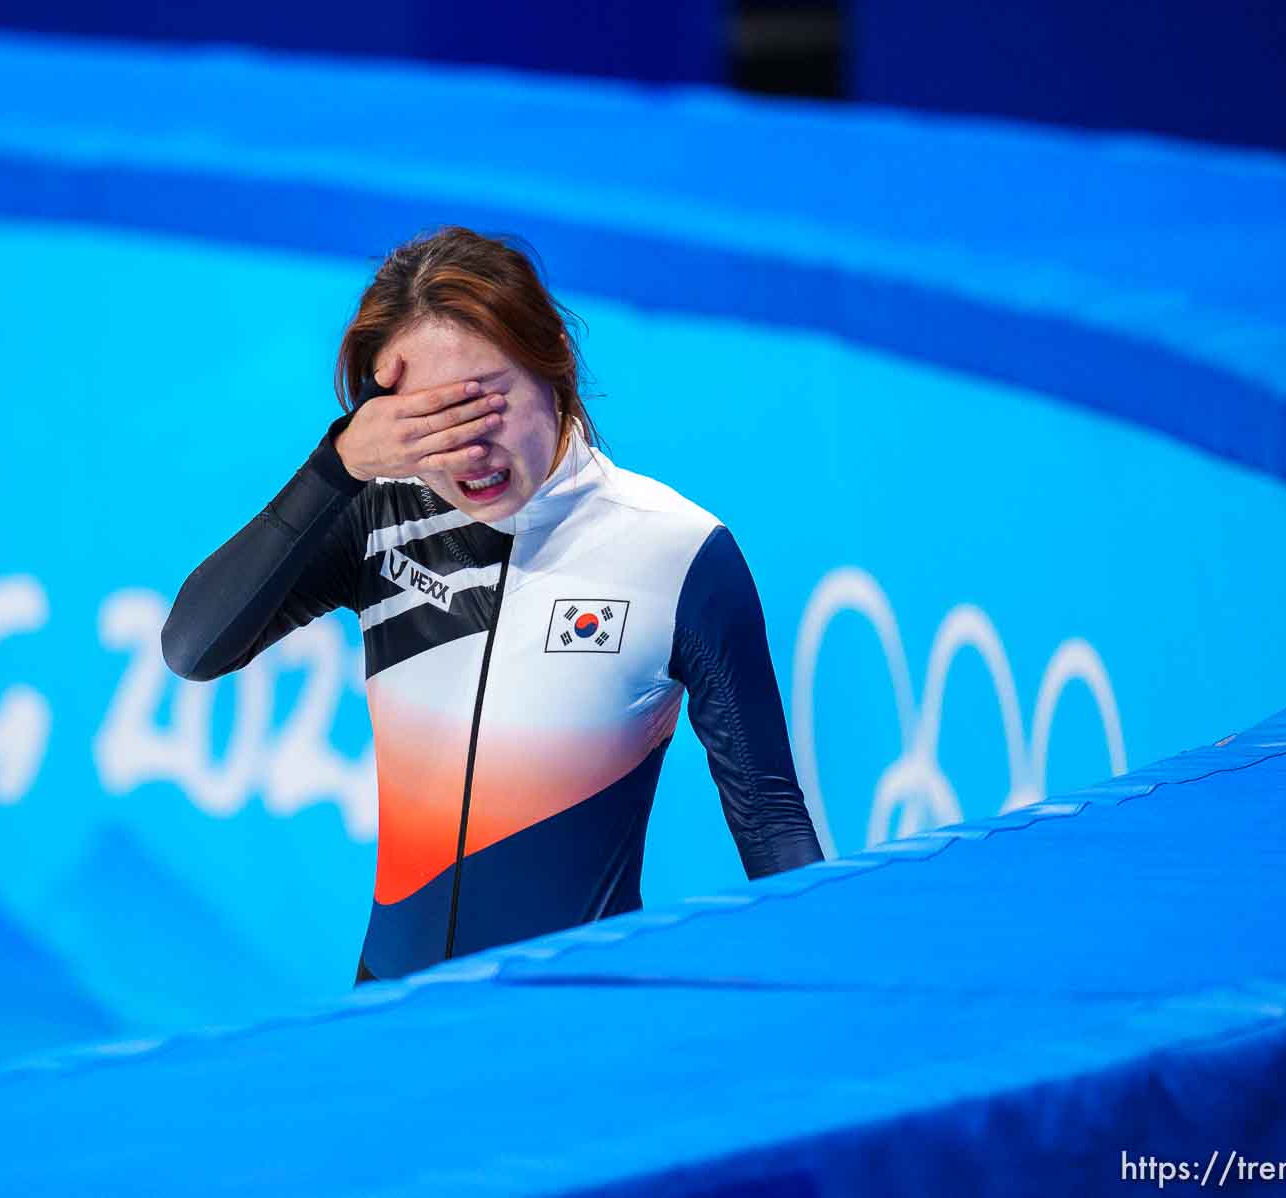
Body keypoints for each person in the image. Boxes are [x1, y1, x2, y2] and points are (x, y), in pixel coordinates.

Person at [161, 226, 823, 983]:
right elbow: (194, 646)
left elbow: (771, 822)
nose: (469, 450)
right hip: (386, 1022)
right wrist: (336, 466)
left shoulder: (678, 552)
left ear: (556, 367)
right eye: (434, 422)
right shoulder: (377, 518)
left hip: (571, 1038)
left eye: (488, 403)